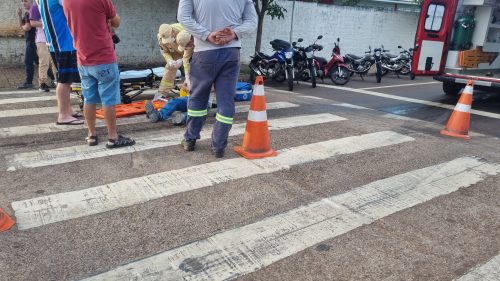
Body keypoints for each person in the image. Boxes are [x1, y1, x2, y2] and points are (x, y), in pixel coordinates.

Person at [178, 0, 257, 158]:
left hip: (204, 52)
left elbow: (183, 17)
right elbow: (252, 22)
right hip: (231, 52)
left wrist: (207, 35)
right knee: (226, 100)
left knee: (198, 97)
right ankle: (219, 146)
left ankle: (190, 139)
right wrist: (234, 34)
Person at [62, 0, 135, 148]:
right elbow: (116, 22)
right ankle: (113, 137)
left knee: (89, 99)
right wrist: (106, 20)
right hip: (104, 58)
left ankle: (91, 135)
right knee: (108, 99)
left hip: (83, 58)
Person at [38, 0, 83, 125]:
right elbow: (75, 9)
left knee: (64, 79)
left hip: (56, 42)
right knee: (64, 80)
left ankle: (67, 110)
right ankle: (63, 115)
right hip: (63, 43)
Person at [144, 30, 195, 125]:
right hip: (192, 97)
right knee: (174, 101)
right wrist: (187, 82)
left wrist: (195, 89)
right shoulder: (191, 61)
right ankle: (159, 115)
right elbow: (186, 61)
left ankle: (183, 117)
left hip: (202, 100)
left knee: (197, 111)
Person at [157, 23, 193, 96]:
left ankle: (192, 91)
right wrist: (170, 60)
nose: (168, 41)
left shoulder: (185, 32)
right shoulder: (161, 37)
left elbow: (190, 52)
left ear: (173, 31)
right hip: (176, 53)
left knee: (192, 68)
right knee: (169, 67)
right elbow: (164, 52)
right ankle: (162, 93)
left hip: (189, 51)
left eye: (170, 37)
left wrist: (182, 60)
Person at [29, 1, 55, 92]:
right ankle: (42, 83)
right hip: (41, 39)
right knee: (44, 62)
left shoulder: (51, 4)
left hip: (52, 38)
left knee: (55, 62)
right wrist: (46, 24)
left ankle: (58, 81)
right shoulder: (35, 6)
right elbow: (32, 23)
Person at [17, 0, 37, 89]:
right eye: (23, 1)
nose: (24, 3)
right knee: (39, 62)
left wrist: (23, 26)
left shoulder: (32, 12)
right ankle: (53, 78)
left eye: (26, 1)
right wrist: (19, 16)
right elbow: (23, 25)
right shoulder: (27, 13)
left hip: (33, 41)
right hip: (30, 40)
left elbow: (27, 27)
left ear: (31, 2)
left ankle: (28, 82)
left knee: (28, 61)